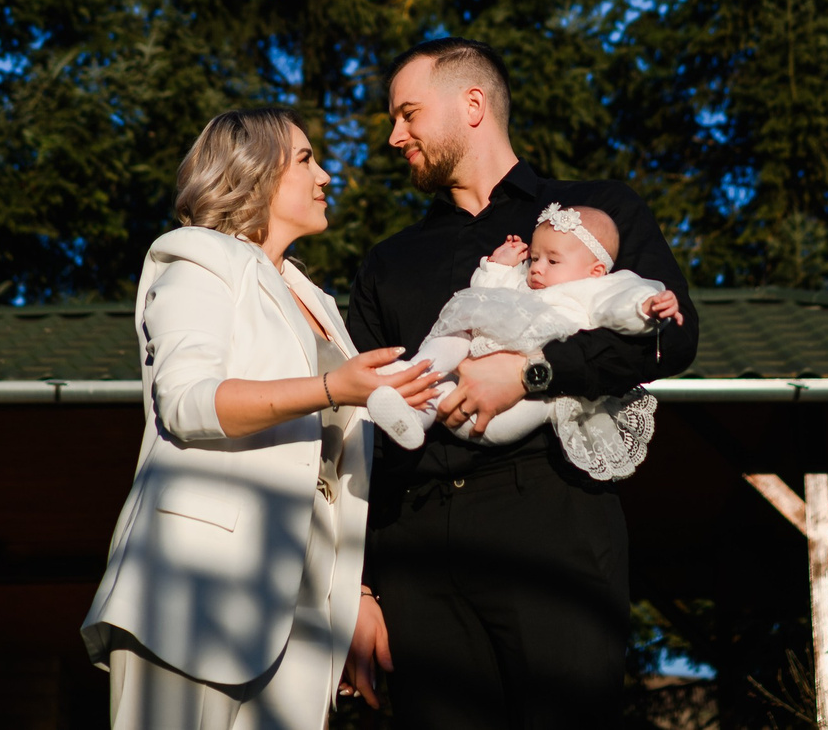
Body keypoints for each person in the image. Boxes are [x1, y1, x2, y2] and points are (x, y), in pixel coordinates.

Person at [347, 38, 701, 728]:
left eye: (408, 113)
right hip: (416, 548)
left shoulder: (594, 213)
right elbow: (357, 429)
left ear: (472, 104)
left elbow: (670, 336)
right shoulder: (388, 262)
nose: (395, 136)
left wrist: (532, 374)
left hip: (549, 519)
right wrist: (355, 585)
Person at [82, 109, 443, 728]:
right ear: (252, 173)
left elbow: (331, 464)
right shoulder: (197, 258)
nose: (327, 175)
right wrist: (333, 386)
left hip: (302, 610)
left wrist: (350, 596)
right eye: (306, 159)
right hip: (194, 588)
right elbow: (189, 401)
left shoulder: (319, 301)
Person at [364, 202, 685, 475]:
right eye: (534, 257)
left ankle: (418, 396)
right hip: (465, 378)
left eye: (553, 260)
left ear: (596, 271)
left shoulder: (597, 289)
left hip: (519, 403)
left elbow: (620, 305)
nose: (537, 269)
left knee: (546, 402)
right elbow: (483, 295)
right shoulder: (525, 283)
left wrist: (646, 308)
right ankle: (413, 394)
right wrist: (498, 265)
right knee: (459, 329)